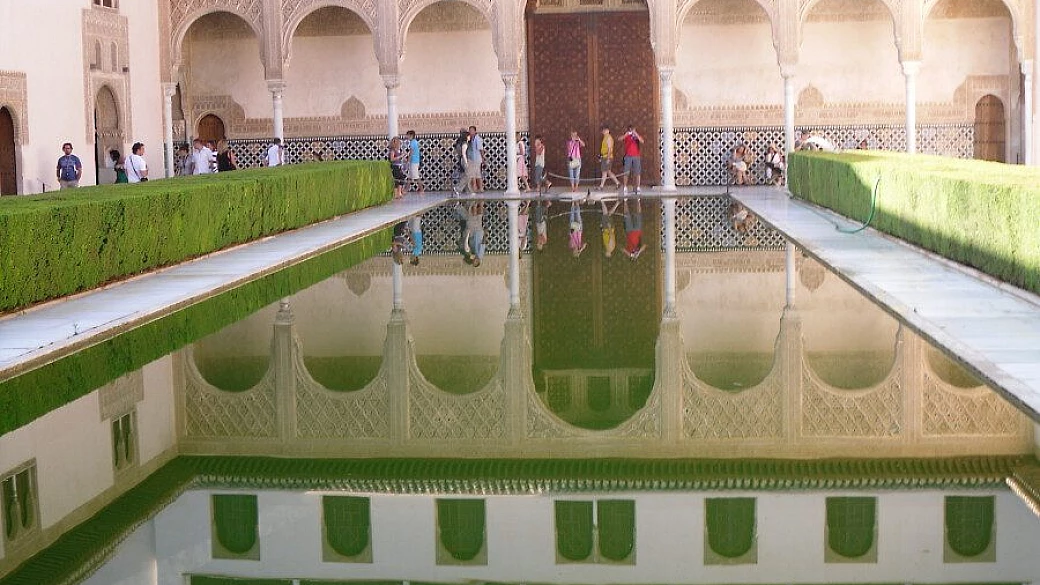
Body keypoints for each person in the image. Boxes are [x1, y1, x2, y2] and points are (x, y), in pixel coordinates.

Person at [621, 125, 643, 195]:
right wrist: (626, 135)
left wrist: (636, 134)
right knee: (626, 172)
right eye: (631, 129)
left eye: (633, 129)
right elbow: (620, 139)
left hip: (636, 156)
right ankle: (625, 187)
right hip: (628, 156)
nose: (632, 131)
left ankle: (638, 187)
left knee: (637, 172)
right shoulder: (627, 135)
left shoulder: (637, 136)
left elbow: (642, 141)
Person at [467, 200, 486, 267]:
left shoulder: (474, 254)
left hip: (476, 233)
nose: (474, 260)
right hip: (478, 233)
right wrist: (485, 234)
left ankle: (480, 203)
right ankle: (476, 203)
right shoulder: (480, 255)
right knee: (476, 218)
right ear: (478, 261)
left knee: (478, 217)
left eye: (473, 262)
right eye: (475, 262)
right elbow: (483, 243)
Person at [466, 125, 484, 193]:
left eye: (472, 130)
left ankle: (476, 188)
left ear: (475, 131)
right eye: (470, 130)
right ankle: (479, 188)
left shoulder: (477, 139)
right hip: (472, 159)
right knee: (476, 174)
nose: (470, 132)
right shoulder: (471, 139)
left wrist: (483, 158)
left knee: (474, 174)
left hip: (476, 159)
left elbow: (481, 149)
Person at [451, 128, 469, 195]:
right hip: (464, 159)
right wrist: (466, 162)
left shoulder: (458, 142)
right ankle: (458, 188)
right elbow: (463, 153)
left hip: (461, 159)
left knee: (463, 174)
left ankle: (466, 190)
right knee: (467, 175)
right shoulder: (464, 143)